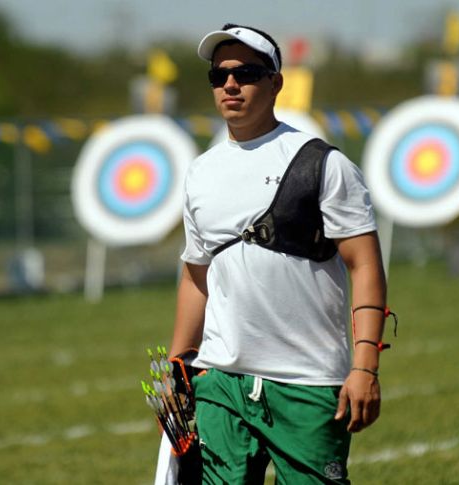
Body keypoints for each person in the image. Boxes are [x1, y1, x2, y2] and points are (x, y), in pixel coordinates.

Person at [155, 23, 389, 485]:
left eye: (246, 72)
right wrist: (180, 364)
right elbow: (195, 275)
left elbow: (365, 266)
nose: (230, 84)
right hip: (221, 381)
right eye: (218, 76)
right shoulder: (200, 173)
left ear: (276, 81)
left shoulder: (323, 162)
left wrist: (365, 366)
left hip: (307, 380)